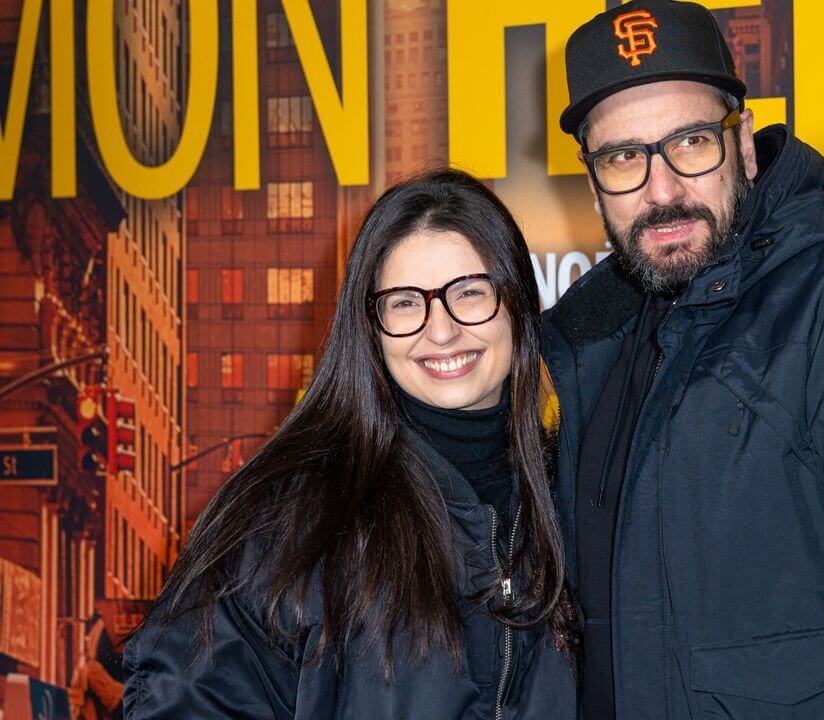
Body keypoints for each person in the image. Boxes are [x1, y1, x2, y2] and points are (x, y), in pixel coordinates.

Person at [542, 1, 824, 718]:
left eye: (692, 142)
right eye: (624, 157)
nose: (662, 191)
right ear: (593, 174)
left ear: (745, 143)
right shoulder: (586, 338)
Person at [123, 170, 577, 719]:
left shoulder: (573, 498)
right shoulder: (297, 514)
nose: (441, 330)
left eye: (470, 293)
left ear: (518, 305)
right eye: (406, 303)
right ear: (371, 326)